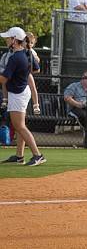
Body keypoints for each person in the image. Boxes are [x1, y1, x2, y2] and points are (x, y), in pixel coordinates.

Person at [0, 27, 45, 167]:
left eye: (8, 38)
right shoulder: (26, 53)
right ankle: (19, 156)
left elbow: (3, 79)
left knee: (19, 126)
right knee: (20, 125)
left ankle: (38, 155)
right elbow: (36, 69)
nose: (6, 40)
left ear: (14, 40)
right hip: (22, 91)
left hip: (18, 94)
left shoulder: (15, 57)